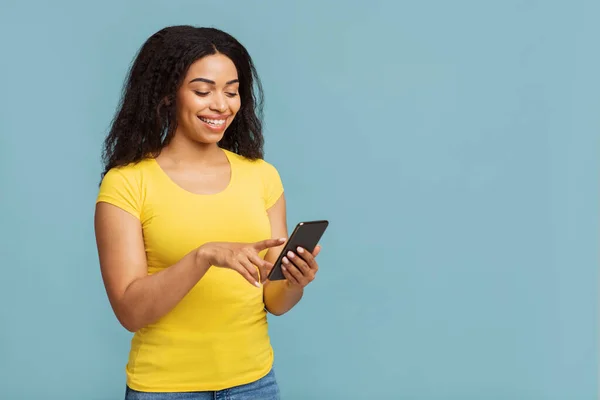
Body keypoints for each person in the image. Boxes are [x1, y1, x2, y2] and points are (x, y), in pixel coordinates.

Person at [94, 25, 322, 400]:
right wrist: (204, 256)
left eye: (232, 92)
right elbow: (130, 312)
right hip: (165, 390)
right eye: (203, 91)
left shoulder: (262, 176)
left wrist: (294, 282)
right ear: (167, 95)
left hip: (255, 384)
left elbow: (274, 300)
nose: (221, 105)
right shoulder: (127, 184)